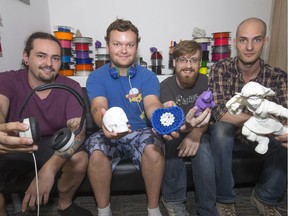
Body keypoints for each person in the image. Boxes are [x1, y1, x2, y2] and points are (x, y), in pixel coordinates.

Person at [84, 19, 196, 216]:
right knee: (96, 154)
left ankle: (153, 209)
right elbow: (97, 106)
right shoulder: (96, 76)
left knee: (154, 151)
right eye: (117, 44)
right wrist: (103, 121)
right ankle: (104, 211)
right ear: (108, 45)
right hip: (110, 131)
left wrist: (161, 118)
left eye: (130, 44)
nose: (124, 50)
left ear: (137, 46)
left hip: (141, 132)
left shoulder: (148, 76)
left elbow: (152, 104)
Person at [0, 32, 92, 216]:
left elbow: (78, 132)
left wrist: (49, 170)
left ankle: (65, 205)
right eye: (41, 56)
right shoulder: (7, 80)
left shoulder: (71, 87)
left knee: (79, 158)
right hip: (14, 146)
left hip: (50, 146)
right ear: (26, 57)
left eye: (55, 58)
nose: (49, 64)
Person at [208, 17, 287, 216]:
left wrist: (279, 127)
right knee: (220, 130)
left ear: (265, 41)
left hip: (262, 138)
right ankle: (224, 200)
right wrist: (262, 119)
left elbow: (284, 114)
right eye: (243, 40)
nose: (249, 47)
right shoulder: (220, 69)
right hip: (230, 137)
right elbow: (220, 113)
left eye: (256, 40)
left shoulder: (277, 76)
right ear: (235, 43)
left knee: (285, 137)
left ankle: (265, 198)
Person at [160, 40, 217, 216]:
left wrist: (196, 134)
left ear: (200, 63)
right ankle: (173, 200)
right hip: (175, 131)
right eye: (183, 60)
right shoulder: (165, 86)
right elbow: (168, 123)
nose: (188, 65)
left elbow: (209, 115)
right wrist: (187, 132)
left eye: (193, 60)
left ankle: (208, 209)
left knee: (205, 151)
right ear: (174, 62)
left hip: (199, 131)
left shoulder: (206, 82)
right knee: (170, 144)